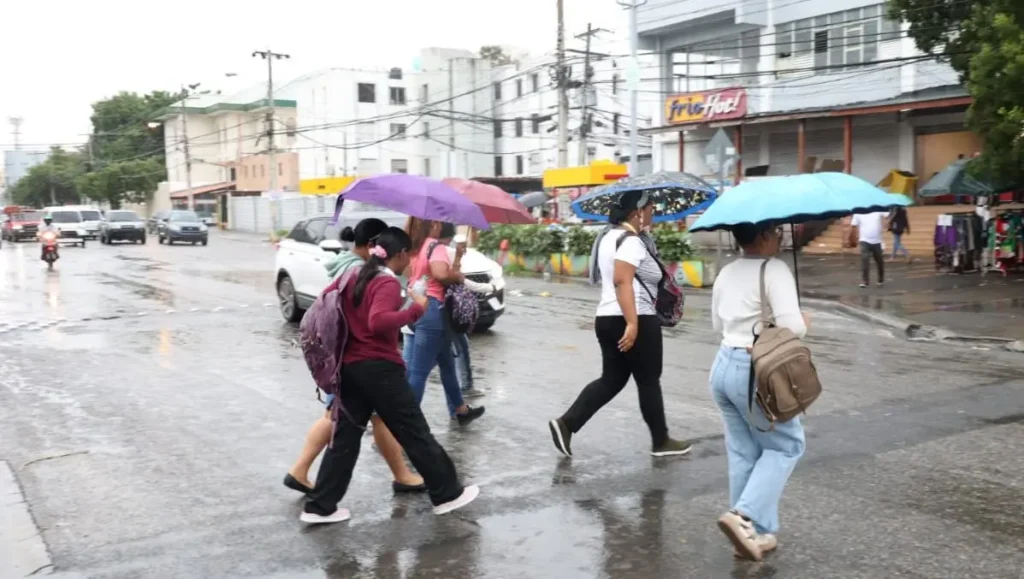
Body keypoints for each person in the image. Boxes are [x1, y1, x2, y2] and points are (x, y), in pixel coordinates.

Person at [302, 227, 479, 524]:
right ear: (399, 255)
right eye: (408, 255)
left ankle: (320, 507)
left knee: (345, 437)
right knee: (414, 431)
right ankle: (447, 493)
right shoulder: (384, 281)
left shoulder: (354, 275)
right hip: (379, 369)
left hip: (350, 367)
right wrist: (416, 309)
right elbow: (379, 322)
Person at [284, 218, 427, 497]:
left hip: (347, 358)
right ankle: (306, 475)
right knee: (340, 421)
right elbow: (372, 320)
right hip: (357, 361)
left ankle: (303, 473)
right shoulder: (360, 270)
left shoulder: (352, 266)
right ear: (374, 244)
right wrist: (411, 308)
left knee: (350, 419)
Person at [548, 190, 692, 458]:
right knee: (648, 380)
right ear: (636, 212)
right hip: (633, 317)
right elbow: (622, 280)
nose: (653, 212)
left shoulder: (607, 238)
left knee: (612, 380)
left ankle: (566, 424)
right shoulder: (631, 242)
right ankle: (661, 441)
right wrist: (633, 323)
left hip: (606, 317)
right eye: (650, 207)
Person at [709, 223, 808, 561]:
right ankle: (743, 517)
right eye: (777, 233)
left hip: (723, 366)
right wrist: (803, 320)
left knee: (742, 452)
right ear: (763, 236)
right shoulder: (775, 269)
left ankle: (753, 534)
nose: (780, 238)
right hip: (755, 370)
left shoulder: (726, 272)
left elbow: (716, 326)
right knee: (787, 446)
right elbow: (792, 327)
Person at [403, 218, 485, 425]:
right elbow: (440, 274)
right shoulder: (435, 246)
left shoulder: (415, 247)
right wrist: (457, 277)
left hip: (419, 306)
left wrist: (456, 258)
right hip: (433, 312)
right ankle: (405, 424)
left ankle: (460, 409)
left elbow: (412, 275)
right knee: (419, 372)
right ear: (433, 225)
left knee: (447, 363)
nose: (441, 226)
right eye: (438, 223)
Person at [850, 211, 887, 287]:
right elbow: (853, 225)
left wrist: (888, 222)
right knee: (865, 259)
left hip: (877, 241)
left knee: (879, 260)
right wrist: (852, 238)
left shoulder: (877, 209)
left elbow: (888, 215)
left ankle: (880, 279)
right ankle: (865, 281)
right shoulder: (858, 212)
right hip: (864, 240)